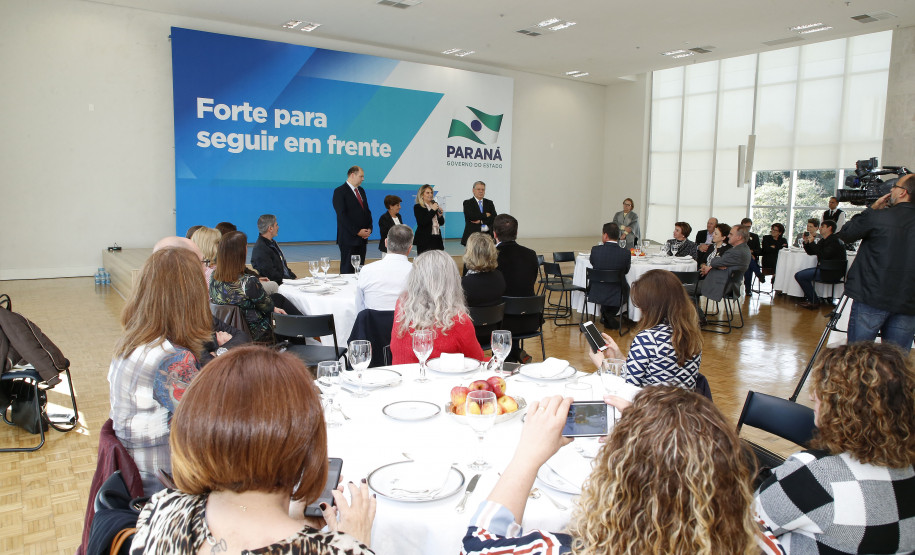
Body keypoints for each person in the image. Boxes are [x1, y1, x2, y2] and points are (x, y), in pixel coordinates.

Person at [461, 388, 784, 555]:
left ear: (616, 482)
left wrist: (527, 457)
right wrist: (662, 429)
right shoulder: (764, 544)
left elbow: (478, 544)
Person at [130, 346, 377, 554]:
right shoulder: (339, 550)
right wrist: (353, 544)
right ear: (307, 444)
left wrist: (294, 523)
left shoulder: (161, 510)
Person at [756, 342, 915, 554]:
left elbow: (739, 526)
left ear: (846, 406)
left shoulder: (816, 474)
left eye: (824, 390)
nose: (812, 396)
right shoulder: (908, 468)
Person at [109, 247, 213, 494]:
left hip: (136, 475)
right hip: (166, 487)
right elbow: (211, 428)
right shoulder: (171, 359)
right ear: (191, 297)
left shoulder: (133, 344)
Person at [838, 173, 915, 351]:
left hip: (871, 296)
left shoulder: (879, 216)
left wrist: (871, 209)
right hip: (908, 302)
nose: (892, 190)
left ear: (903, 193)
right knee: (895, 363)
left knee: (859, 356)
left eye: (895, 187)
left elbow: (846, 234)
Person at [590, 269, 701, 389]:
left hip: (652, 407)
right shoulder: (691, 334)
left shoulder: (649, 338)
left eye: (640, 305)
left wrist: (602, 364)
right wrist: (619, 357)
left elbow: (625, 388)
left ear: (651, 306)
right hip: (683, 406)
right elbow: (654, 372)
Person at [152, 235, 250, 364]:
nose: (205, 268)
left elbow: (243, 337)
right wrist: (219, 347)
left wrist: (219, 352)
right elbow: (205, 366)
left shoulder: (192, 308)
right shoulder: (168, 320)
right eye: (202, 262)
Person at [390, 250, 484, 364]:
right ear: (452, 280)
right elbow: (477, 359)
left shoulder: (402, 306)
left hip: (403, 377)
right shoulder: (458, 321)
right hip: (440, 380)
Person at [209, 231, 302, 342]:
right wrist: (273, 308)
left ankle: (304, 325)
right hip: (257, 333)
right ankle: (306, 328)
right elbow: (267, 307)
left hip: (230, 329)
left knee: (277, 298)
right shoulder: (248, 282)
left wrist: (273, 307)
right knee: (286, 315)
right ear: (241, 252)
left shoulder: (213, 277)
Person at [494, 214, 540, 363]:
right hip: (530, 319)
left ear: (494, 234)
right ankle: (515, 351)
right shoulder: (531, 254)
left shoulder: (492, 257)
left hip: (501, 323)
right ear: (516, 233)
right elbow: (530, 281)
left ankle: (512, 353)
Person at [355, 224, 413, 312]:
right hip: (404, 324)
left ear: (386, 242)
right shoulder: (418, 272)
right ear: (410, 248)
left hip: (372, 324)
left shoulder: (367, 270)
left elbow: (359, 309)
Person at [794, 220, 846, 309]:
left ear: (829, 228)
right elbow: (812, 252)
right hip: (825, 269)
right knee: (799, 275)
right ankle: (813, 300)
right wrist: (807, 242)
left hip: (832, 271)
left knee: (800, 276)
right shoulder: (824, 240)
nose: (820, 228)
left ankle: (813, 301)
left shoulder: (834, 241)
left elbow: (823, 255)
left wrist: (813, 242)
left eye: (822, 226)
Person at [589, 222, 632, 329]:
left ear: (605, 235)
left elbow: (594, 264)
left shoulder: (595, 250)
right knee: (623, 286)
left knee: (605, 286)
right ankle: (609, 315)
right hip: (617, 290)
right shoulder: (625, 253)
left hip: (597, 289)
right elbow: (626, 271)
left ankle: (606, 315)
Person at [332, 166, 372, 274]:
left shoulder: (361, 191)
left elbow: (367, 211)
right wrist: (357, 231)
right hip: (348, 239)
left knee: (360, 269)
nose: (363, 179)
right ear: (352, 175)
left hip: (362, 239)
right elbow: (342, 215)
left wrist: (369, 229)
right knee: (347, 270)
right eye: (361, 176)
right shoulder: (340, 191)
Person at [462, 232, 506, 308]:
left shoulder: (463, 284)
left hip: (471, 319)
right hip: (495, 319)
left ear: (469, 252)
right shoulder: (499, 277)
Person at [251, 214, 297, 285]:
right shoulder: (261, 249)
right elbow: (272, 275)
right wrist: (290, 282)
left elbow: (284, 268)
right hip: (280, 285)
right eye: (276, 225)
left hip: (286, 281)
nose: (278, 227)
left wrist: (294, 278)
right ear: (270, 228)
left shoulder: (272, 243)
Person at [461, 181, 497, 246]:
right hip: (472, 236)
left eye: (483, 189)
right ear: (473, 190)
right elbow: (471, 217)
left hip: (487, 236)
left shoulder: (489, 203)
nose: (481, 191)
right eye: (478, 189)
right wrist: (485, 215)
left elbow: (494, 217)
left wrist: (481, 221)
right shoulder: (467, 203)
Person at [413, 184, 445, 254]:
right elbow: (422, 222)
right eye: (427, 193)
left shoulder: (434, 205)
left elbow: (441, 223)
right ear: (421, 195)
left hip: (436, 238)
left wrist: (440, 216)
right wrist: (433, 210)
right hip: (424, 240)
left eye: (431, 193)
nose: (430, 195)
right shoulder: (418, 207)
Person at [742, 217, 765, 291]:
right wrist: (749, 253)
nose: (747, 228)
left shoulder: (754, 236)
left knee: (748, 265)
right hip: (740, 257)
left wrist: (752, 252)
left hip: (750, 259)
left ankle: (748, 289)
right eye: (745, 226)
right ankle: (758, 274)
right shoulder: (737, 236)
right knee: (749, 260)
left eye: (749, 226)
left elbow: (759, 250)